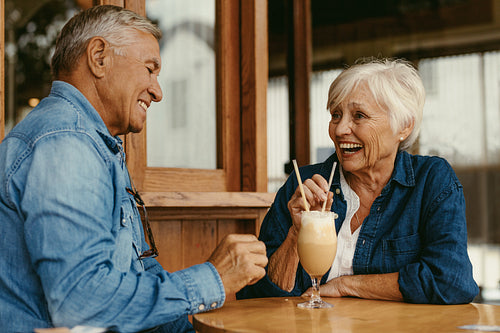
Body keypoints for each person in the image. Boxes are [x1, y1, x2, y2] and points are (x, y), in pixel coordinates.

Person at [0, 5, 267, 333]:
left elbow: (137, 285)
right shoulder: (67, 142)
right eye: (150, 69)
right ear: (99, 57)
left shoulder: (95, 144)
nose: (158, 91)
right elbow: (82, 304)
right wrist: (213, 278)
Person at [237, 58, 479, 304]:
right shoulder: (304, 185)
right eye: (336, 115)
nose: (340, 129)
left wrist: (346, 285)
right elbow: (256, 296)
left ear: (403, 126)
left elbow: (451, 281)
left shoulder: (431, 181)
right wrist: (295, 234)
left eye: (359, 116)